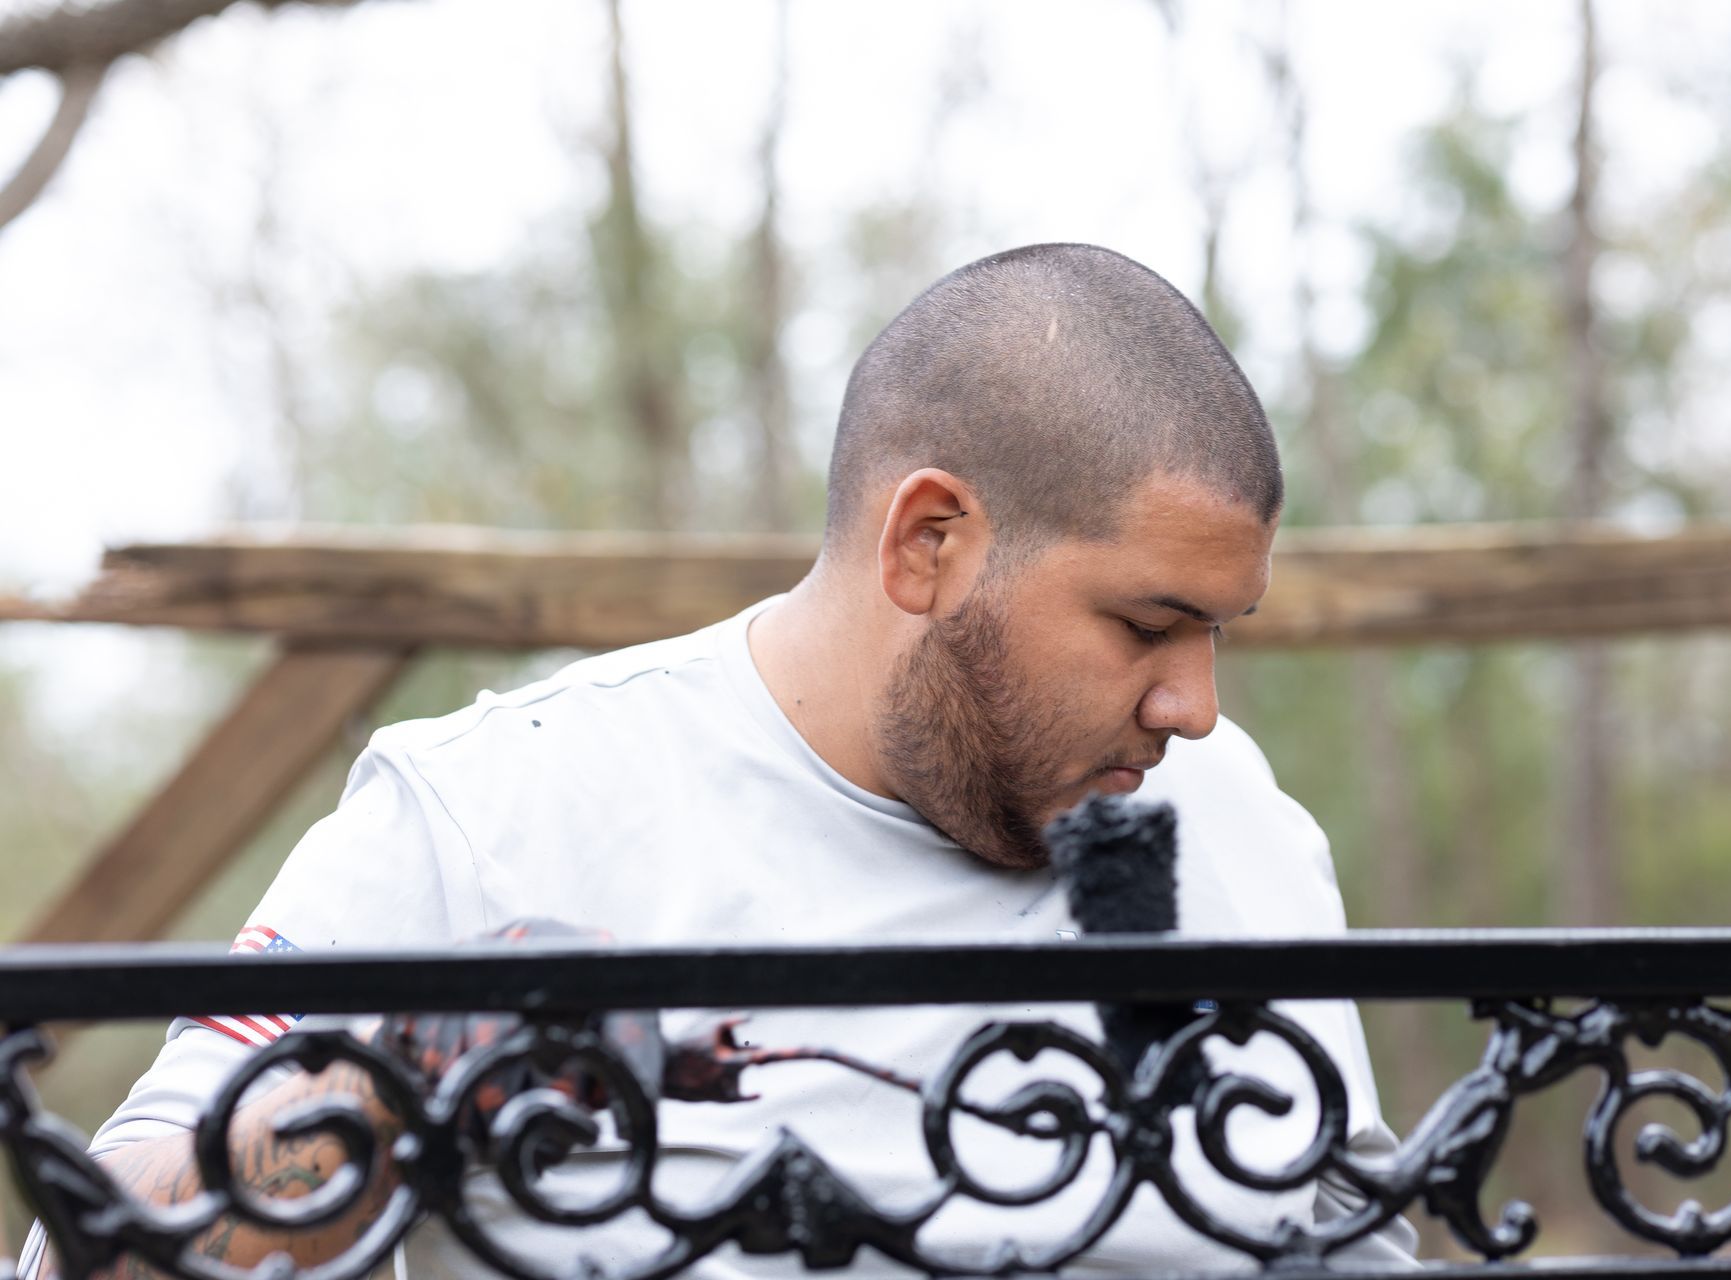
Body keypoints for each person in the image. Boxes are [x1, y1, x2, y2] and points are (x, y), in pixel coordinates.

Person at [23, 243, 1418, 1276]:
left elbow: (1363, 1242)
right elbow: (89, 1250)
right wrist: (391, 1088)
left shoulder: (1237, 820)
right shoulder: (493, 811)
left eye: (1220, 634)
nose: (1195, 706)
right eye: (1147, 626)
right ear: (928, 543)